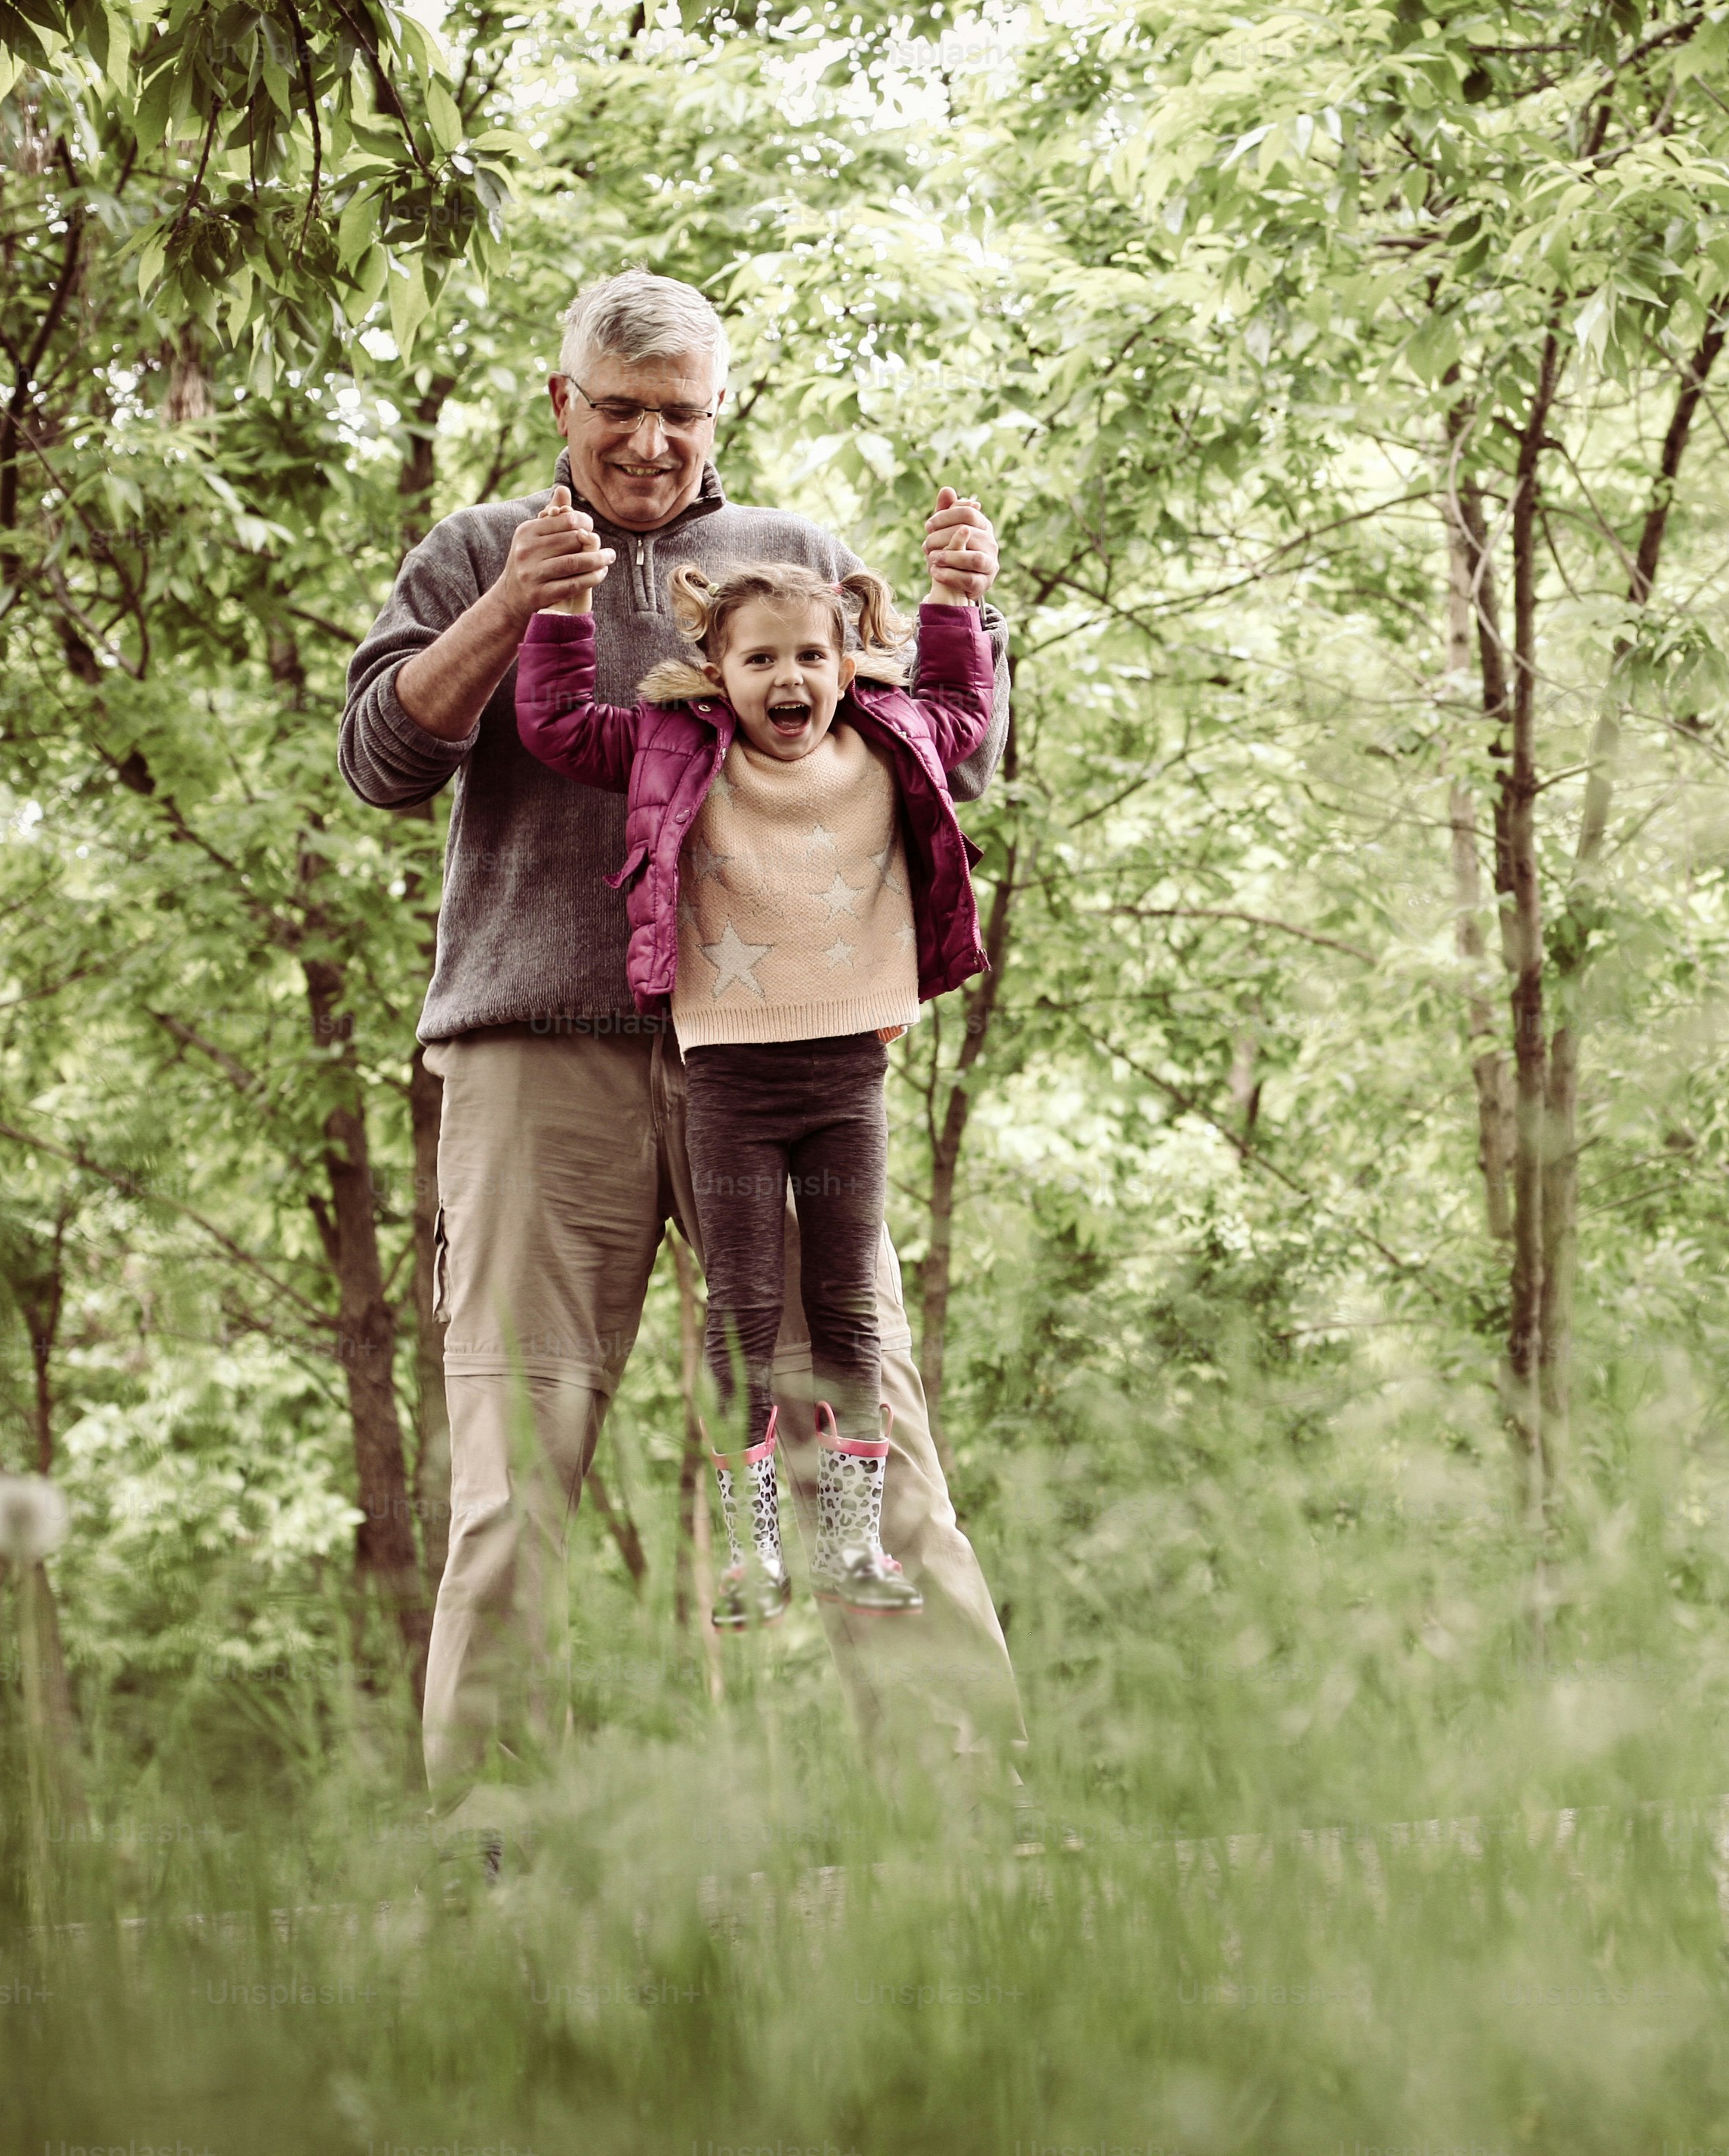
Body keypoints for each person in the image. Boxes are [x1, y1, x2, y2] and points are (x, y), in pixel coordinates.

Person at [336, 269, 1023, 1801]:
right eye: (621, 409)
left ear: (721, 411)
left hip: (773, 1064)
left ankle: (965, 1811)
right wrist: (516, 604)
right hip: (534, 1059)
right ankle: (496, 1842)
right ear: (561, 400)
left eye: (682, 413)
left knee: (858, 1420)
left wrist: (971, 619)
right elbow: (381, 758)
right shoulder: (474, 551)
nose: (651, 443)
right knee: (519, 1466)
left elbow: (949, 762)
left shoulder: (795, 565)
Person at [508, 520, 997, 1631]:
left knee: (848, 1318)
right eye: (760, 658)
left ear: (849, 658)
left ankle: (855, 1544)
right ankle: (752, 1556)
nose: (789, 677)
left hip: (847, 1082)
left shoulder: (891, 735)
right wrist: (559, 611)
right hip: (727, 1083)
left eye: (811, 656)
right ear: (717, 673)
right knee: (742, 1312)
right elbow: (557, 727)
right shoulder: (680, 748)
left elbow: (967, 721)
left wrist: (958, 598)